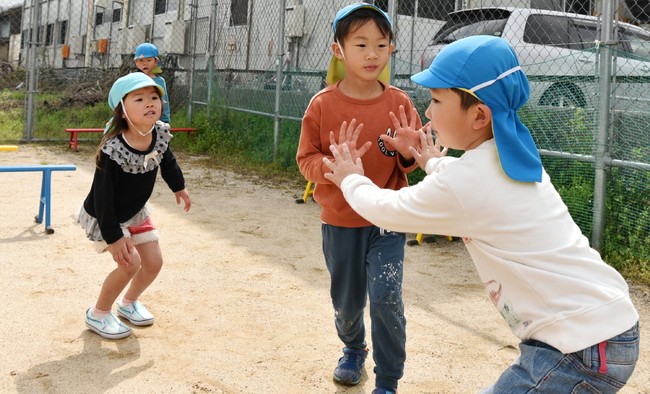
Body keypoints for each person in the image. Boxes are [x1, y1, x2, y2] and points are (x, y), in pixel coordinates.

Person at [323, 35, 640, 392]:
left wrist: (352, 179)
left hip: (579, 347)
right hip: (599, 328)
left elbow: (386, 210)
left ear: (478, 115)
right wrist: (430, 161)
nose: (427, 112)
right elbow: (469, 184)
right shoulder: (511, 152)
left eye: (437, 100)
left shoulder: (468, 182)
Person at [296, 3, 422, 393]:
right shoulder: (322, 104)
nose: (372, 54)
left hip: (387, 220)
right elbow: (306, 159)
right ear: (339, 51)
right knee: (347, 302)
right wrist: (333, 167)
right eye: (361, 44)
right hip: (341, 220)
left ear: (391, 49)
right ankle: (353, 348)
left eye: (381, 44)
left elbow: (411, 162)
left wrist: (405, 152)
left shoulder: (400, 103)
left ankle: (388, 378)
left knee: (386, 296)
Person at [79, 72, 192, 340]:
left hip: (135, 211)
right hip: (108, 216)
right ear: (122, 109)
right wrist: (114, 237)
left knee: (153, 262)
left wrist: (179, 187)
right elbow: (102, 197)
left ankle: (128, 303)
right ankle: (98, 313)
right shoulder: (113, 148)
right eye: (139, 99)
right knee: (130, 264)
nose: (149, 103)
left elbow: (168, 162)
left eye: (154, 97)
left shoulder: (159, 133)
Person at [134, 42, 171, 124]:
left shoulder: (160, 81)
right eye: (141, 60)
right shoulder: (133, 80)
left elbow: (164, 101)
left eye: (149, 60)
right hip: (137, 119)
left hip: (155, 120)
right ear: (136, 62)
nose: (144, 63)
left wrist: (165, 121)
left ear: (156, 61)